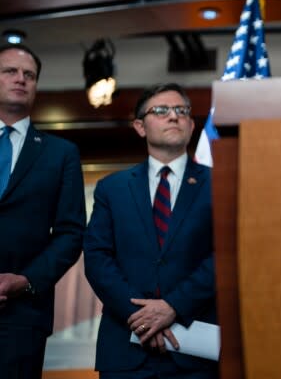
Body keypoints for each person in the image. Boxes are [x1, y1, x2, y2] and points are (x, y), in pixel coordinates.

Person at [84, 83, 217, 378]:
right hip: (125, 349)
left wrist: (173, 307)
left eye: (181, 111)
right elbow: (98, 259)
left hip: (195, 349)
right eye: (161, 110)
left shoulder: (219, 184)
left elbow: (225, 256)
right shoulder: (112, 188)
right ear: (140, 126)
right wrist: (142, 318)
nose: (174, 116)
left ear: (192, 125)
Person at [0, 43, 86, 378]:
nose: (20, 79)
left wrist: (25, 280)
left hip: (23, 316)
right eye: (10, 71)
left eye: (29, 75)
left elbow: (70, 233)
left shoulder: (60, 154)